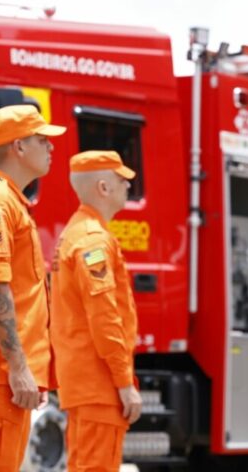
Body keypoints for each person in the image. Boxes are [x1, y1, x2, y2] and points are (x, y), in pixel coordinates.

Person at [0, 105, 65, 471]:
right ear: (18, 147)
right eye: (42, 140)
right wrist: (17, 367)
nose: (50, 147)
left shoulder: (6, 200)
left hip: (2, 376)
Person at [51, 150, 143, 471]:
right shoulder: (93, 240)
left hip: (84, 383)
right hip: (98, 384)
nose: (128, 186)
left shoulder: (77, 233)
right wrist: (124, 383)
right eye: (121, 180)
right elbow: (104, 318)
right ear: (103, 187)